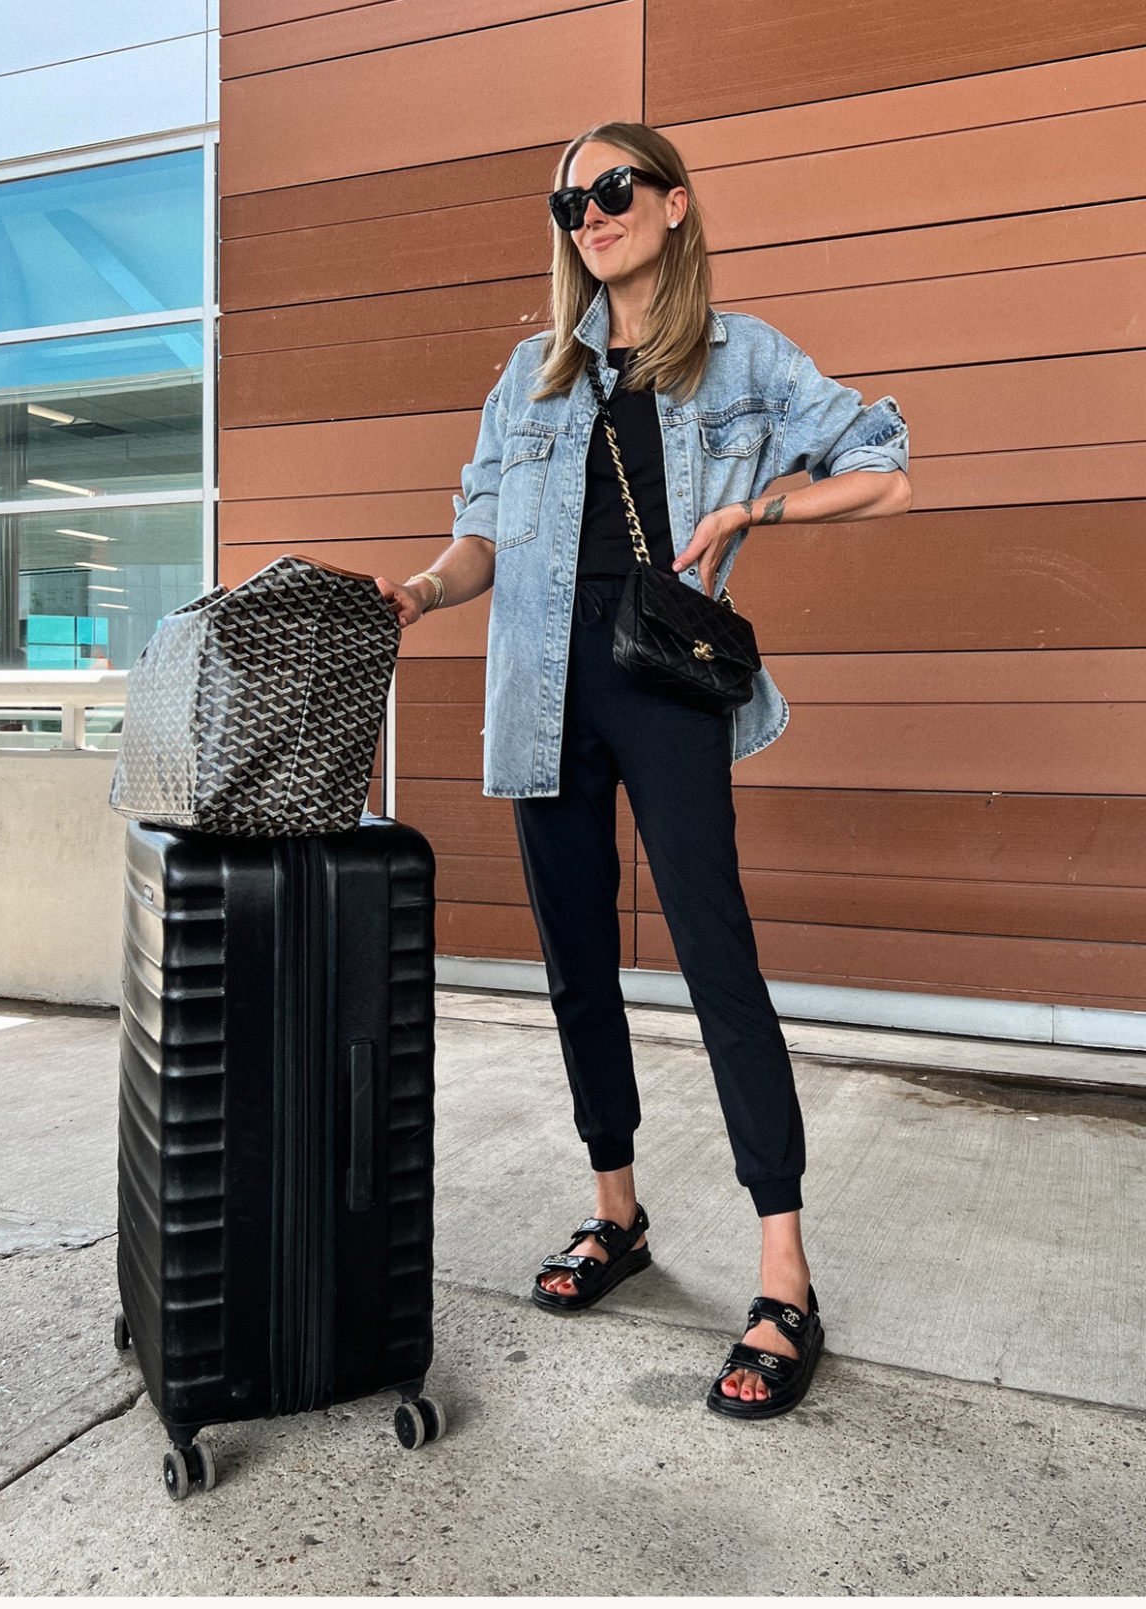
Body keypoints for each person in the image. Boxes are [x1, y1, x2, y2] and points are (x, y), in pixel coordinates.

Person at [377, 120, 911, 1420]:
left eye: (613, 188)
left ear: (673, 204)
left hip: (666, 691)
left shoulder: (743, 357)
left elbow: (883, 470)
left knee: (717, 962)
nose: (591, 214)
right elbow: (481, 532)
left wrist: (749, 509)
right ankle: (615, 1212)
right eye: (569, 202)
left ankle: (784, 1275)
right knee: (575, 966)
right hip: (539, 698)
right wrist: (421, 592)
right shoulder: (535, 374)